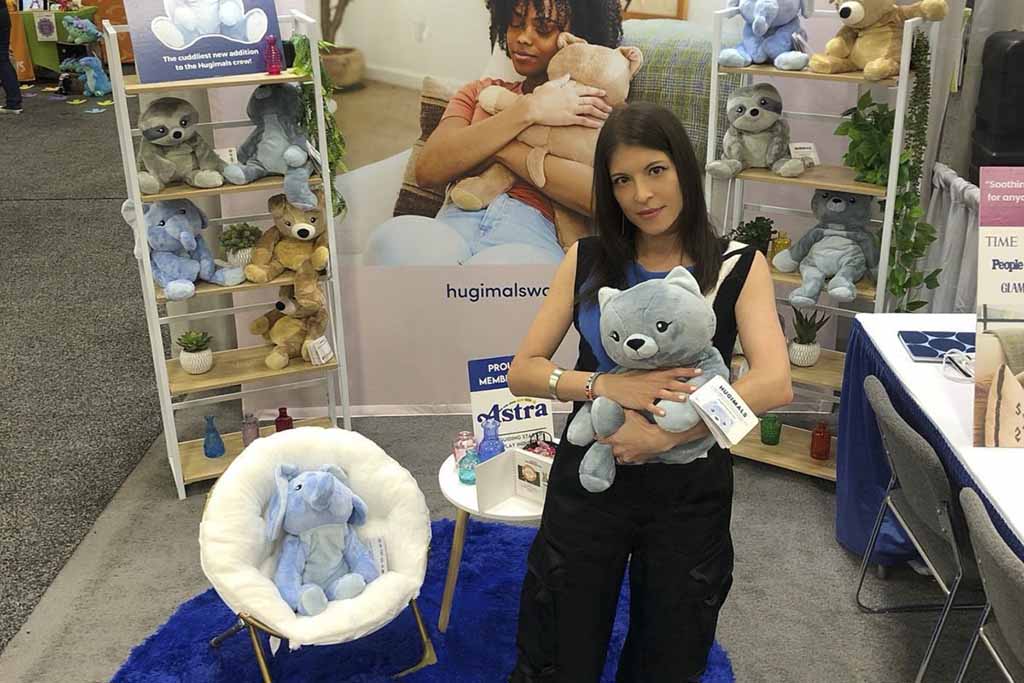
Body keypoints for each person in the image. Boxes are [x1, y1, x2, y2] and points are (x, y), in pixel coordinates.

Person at [506, 102, 794, 682]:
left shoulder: (738, 265)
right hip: (594, 468)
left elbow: (773, 382)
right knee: (560, 628)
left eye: (656, 170)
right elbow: (524, 370)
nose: (642, 194)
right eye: (622, 180)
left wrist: (672, 435)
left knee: (676, 638)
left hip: (689, 485)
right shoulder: (585, 258)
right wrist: (602, 383)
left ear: (684, 170)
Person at [364, 0, 624, 266]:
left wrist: (496, 146)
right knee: (391, 241)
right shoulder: (481, 92)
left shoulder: (596, 107)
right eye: (515, 23)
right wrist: (528, 110)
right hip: (456, 220)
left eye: (543, 28)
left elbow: (605, 200)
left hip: (535, 236)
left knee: (499, 275)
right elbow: (429, 170)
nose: (523, 38)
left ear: (578, 35)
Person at [1, 0, 24, 114]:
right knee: (3, 59)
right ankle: (14, 102)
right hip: (3, 13)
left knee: (2, 61)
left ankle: (13, 102)